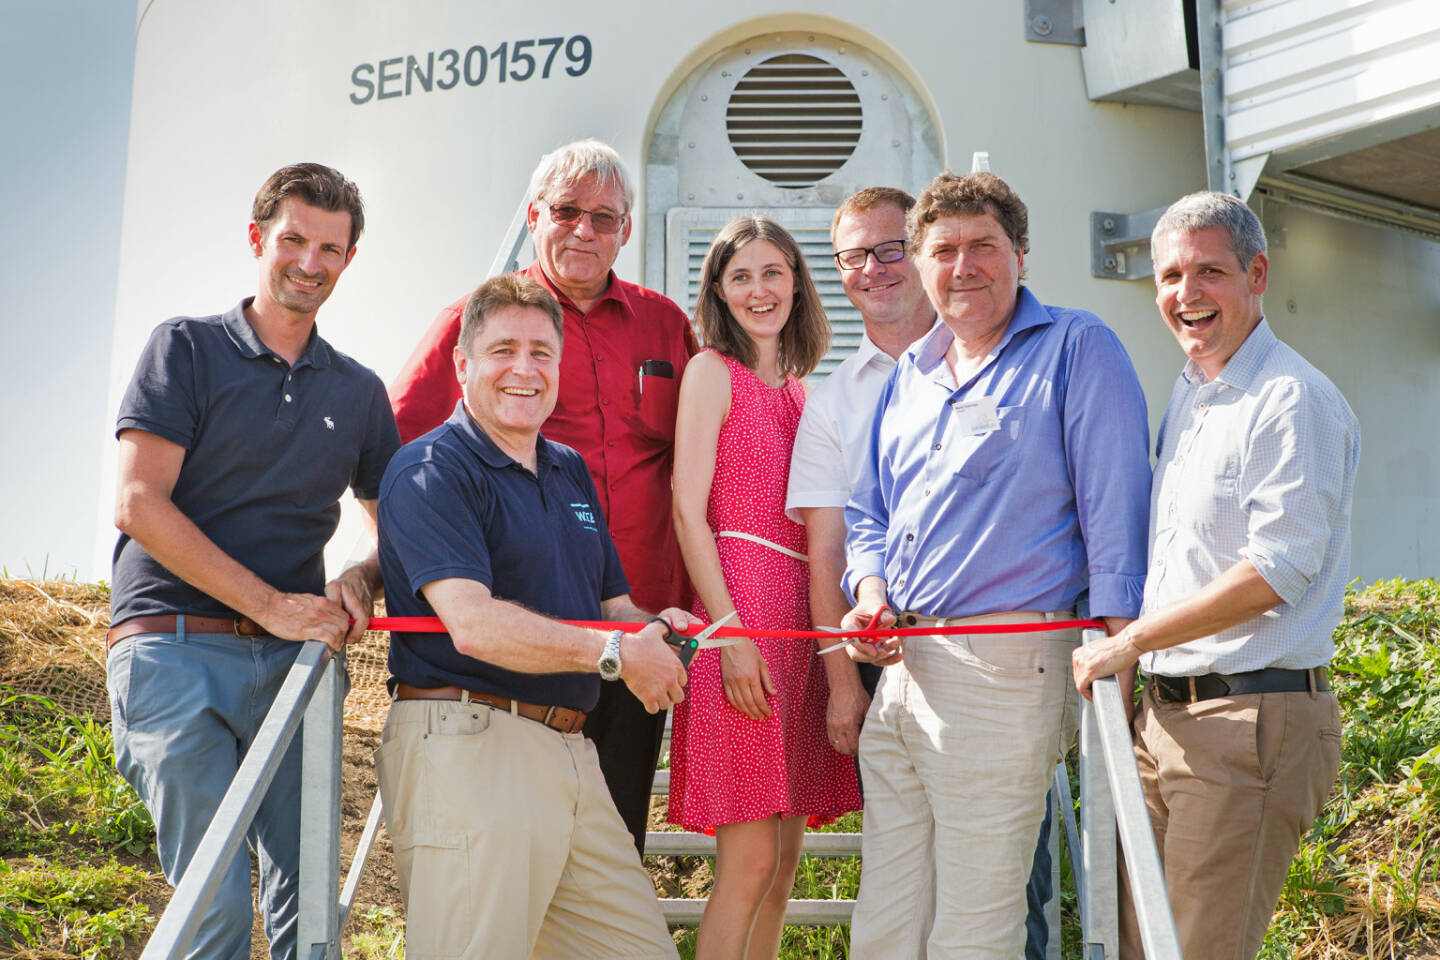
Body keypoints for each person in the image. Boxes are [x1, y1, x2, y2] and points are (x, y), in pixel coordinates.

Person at [841, 171, 1152, 958]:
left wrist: (1120, 657)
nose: (964, 265)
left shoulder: (1078, 347)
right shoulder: (908, 377)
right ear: (920, 264)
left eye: (984, 245)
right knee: (886, 925)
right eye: (943, 250)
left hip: (1005, 669)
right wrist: (869, 593)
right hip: (903, 671)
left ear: (1020, 252)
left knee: (974, 927)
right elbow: (867, 517)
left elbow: (1116, 515)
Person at [106, 163, 399, 960]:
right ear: (257, 239)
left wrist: (361, 577)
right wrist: (271, 603)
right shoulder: (186, 350)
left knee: (313, 919)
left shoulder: (361, 392)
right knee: (215, 911)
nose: (310, 262)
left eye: (330, 248)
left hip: (292, 669)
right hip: (174, 648)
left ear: (349, 259)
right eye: (293, 239)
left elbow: (402, 533)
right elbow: (139, 503)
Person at [387, 139, 697, 852]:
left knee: (614, 843)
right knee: (506, 853)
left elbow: (698, 461)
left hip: (635, 622)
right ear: (533, 215)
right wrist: (403, 568)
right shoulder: (478, 321)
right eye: (566, 211)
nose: (584, 230)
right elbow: (395, 448)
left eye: (603, 217)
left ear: (626, 227)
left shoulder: (664, 325)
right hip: (515, 640)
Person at [1072, 191, 1358, 960]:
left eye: (1209, 272)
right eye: (1170, 276)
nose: (1185, 295)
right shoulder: (1195, 394)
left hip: (1245, 726)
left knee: (1198, 953)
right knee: (1139, 949)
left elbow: (1275, 571)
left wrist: (1128, 641)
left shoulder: (1290, 400)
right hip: (1165, 723)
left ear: (1257, 274)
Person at [376, 273, 691, 960]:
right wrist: (616, 652)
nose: (525, 369)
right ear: (463, 365)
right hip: (470, 742)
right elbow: (475, 623)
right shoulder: (430, 468)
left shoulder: (569, 469)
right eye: (503, 350)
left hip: (572, 754)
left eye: (542, 353)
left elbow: (611, 606)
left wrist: (655, 625)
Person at [669, 217, 861, 960]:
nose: (759, 289)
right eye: (741, 275)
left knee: (783, 865)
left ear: (797, 283)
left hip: (802, 626)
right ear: (718, 289)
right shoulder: (711, 372)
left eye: (773, 272)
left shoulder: (805, 392)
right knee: (746, 863)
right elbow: (689, 511)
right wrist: (731, 635)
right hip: (741, 621)